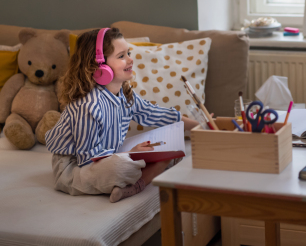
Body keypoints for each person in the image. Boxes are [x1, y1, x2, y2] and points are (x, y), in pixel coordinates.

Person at [45, 28, 199, 203]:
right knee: (121, 166)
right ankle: (129, 177)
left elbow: (153, 113)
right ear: (98, 66)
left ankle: (135, 186)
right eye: (121, 56)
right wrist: (129, 154)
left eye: (129, 53)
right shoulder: (89, 106)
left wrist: (199, 125)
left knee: (172, 150)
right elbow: (87, 158)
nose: (130, 59)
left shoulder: (125, 94)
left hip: (109, 152)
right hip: (74, 168)